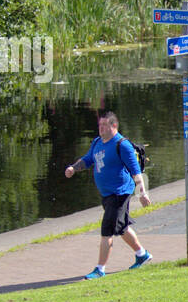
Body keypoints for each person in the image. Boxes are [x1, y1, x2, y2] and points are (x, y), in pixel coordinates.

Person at [63, 111, 152, 279]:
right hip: (107, 194)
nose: (101, 128)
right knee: (121, 227)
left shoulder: (122, 145)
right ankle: (142, 254)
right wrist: (74, 168)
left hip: (119, 193)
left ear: (114, 126)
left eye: (104, 125)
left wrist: (142, 193)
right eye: (99, 125)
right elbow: (88, 159)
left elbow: (136, 171)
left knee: (106, 230)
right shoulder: (97, 142)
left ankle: (99, 269)